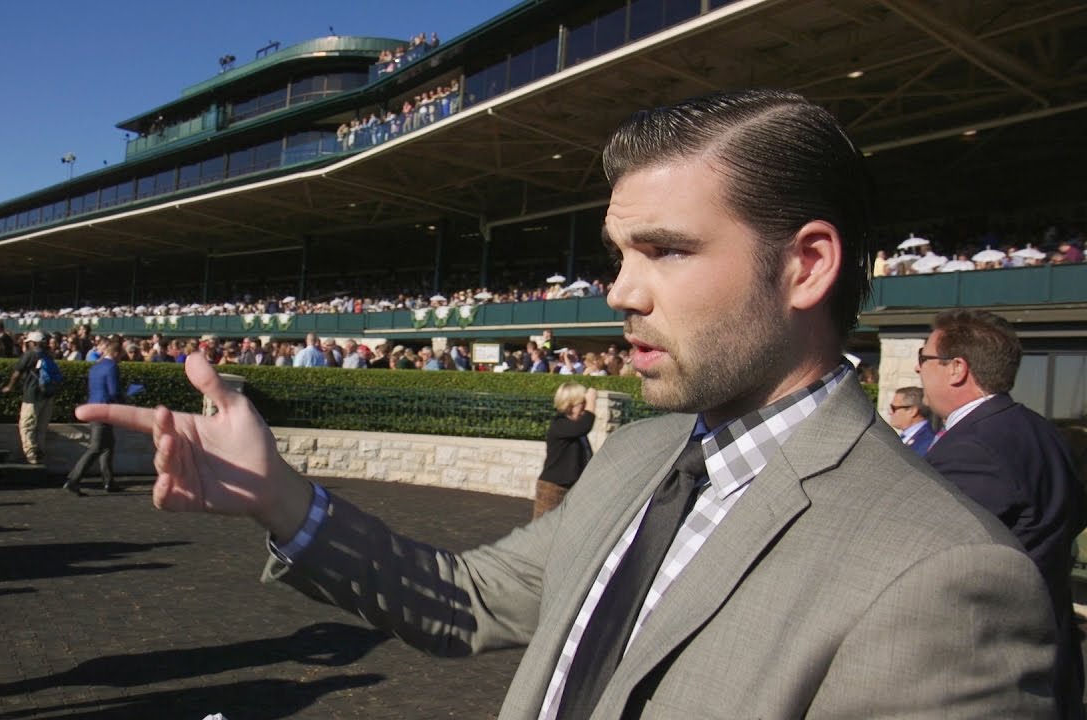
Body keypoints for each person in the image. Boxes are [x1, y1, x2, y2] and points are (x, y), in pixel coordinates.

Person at [80, 90, 1057, 717]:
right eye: (616, 255)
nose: (619, 291)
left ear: (804, 265)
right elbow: (464, 602)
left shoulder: (945, 580)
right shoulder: (637, 456)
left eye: (665, 251)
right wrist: (279, 498)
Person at [920, 308, 1086, 718]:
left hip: (995, 668)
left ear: (956, 369)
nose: (919, 371)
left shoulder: (971, 448)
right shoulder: (1043, 430)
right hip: (1054, 651)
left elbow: (938, 561)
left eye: (923, 359)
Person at [65, 341, 124, 496]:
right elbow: (113, 391)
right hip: (104, 410)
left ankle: (109, 481)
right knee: (96, 447)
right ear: (116, 353)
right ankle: (73, 479)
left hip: (94, 407)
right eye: (121, 355)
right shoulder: (112, 367)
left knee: (108, 446)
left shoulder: (96, 366)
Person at [533, 383, 596, 519]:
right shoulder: (559, 424)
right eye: (582, 403)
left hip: (572, 488)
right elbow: (584, 426)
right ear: (569, 404)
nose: (585, 407)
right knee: (543, 533)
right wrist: (592, 403)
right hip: (553, 488)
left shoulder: (575, 429)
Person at [0, 331, 54, 465]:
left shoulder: (30, 355)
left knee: (27, 426)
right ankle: (41, 453)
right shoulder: (48, 355)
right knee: (41, 427)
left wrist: (9, 386)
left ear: (33, 342)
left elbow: (17, 373)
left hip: (32, 395)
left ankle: (31, 456)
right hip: (47, 395)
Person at [886, 385, 934, 456]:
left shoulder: (928, 440)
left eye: (894, 408)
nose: (890, 413)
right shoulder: (905, 437)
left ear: (912, 411)